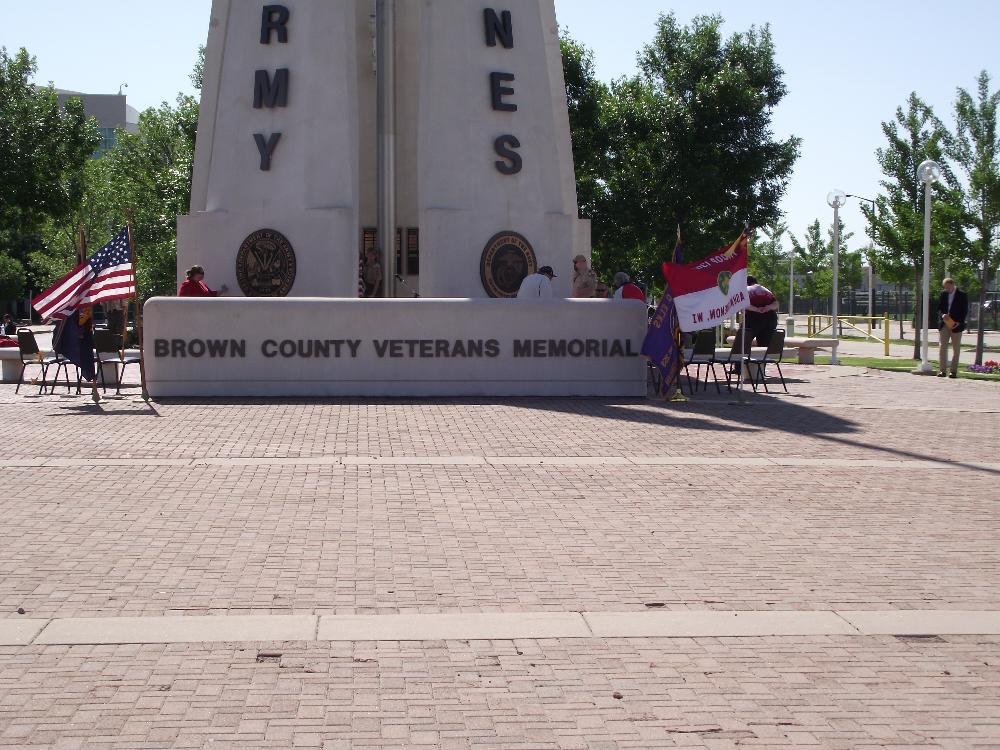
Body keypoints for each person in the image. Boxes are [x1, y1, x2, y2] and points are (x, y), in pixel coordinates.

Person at [937, 277, 969, 378]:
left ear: (952, 285)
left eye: (948, 287)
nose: (946, 289)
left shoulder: (962, 295)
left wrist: (959, 322)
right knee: (943, 347)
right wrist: (943, 315)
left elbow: (964, 310)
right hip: (945, 323)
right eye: (945, 287)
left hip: (956, 324)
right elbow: (939, 308)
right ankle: (942, 370)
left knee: (956, 348)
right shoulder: (943, 294)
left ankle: (953, 371)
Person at [745, 275, 780, 347]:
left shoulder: (746, 289)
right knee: (765, 345)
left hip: (753, 318)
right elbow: (776, 304)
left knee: (742, 342)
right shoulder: (765, 290)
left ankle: (741, 357)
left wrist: (757, 309)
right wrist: (768, 307)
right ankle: (764, 357)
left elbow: (744, 304)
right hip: (770, 318)